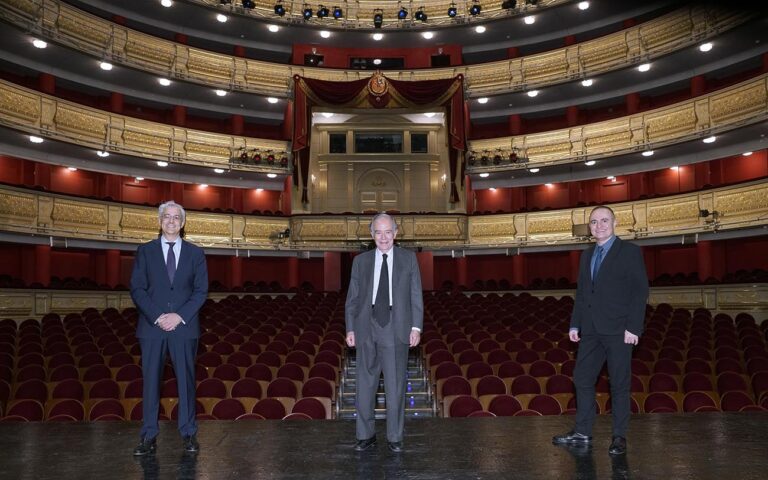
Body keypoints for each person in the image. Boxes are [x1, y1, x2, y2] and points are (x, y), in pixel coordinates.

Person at [553, 205, 648, 456]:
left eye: (604, 220)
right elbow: (583, 293)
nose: (599, 226)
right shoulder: (587, 254)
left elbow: (640, 291)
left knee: (618, 385)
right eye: (594, 222)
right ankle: (582, 432)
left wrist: (633, 327)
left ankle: (619, 437)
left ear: (615, 223)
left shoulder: (629, 252)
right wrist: (575, 324)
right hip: (592, 330)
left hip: (620, 330)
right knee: (582, 379)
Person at [130, 201, 208, 456]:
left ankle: (188, 433)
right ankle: (148, 435)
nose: (171, 221)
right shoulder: (145, 251)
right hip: (152, 327)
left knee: (186, 382)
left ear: (183, 223)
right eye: (167, 217)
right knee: (151, 382)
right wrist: (158, 316)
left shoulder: (196, 253)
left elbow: (201, 291)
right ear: (160, 221)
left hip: (184, 328)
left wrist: (179, 317)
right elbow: (137, 289)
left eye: (176, 217)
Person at [345, 213, 423, 453]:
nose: (383, 237)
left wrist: (416, 327)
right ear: (371, 235)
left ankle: (395, 437)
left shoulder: (409, 259)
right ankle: (365, 436)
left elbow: (415, 295)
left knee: (395, 386)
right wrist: (350, 327)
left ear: (396, 233)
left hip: (395, 327)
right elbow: (353, 298)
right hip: (365, 326)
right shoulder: (361, 261)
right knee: (365, 386)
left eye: (388, 231)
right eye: (378, 232)